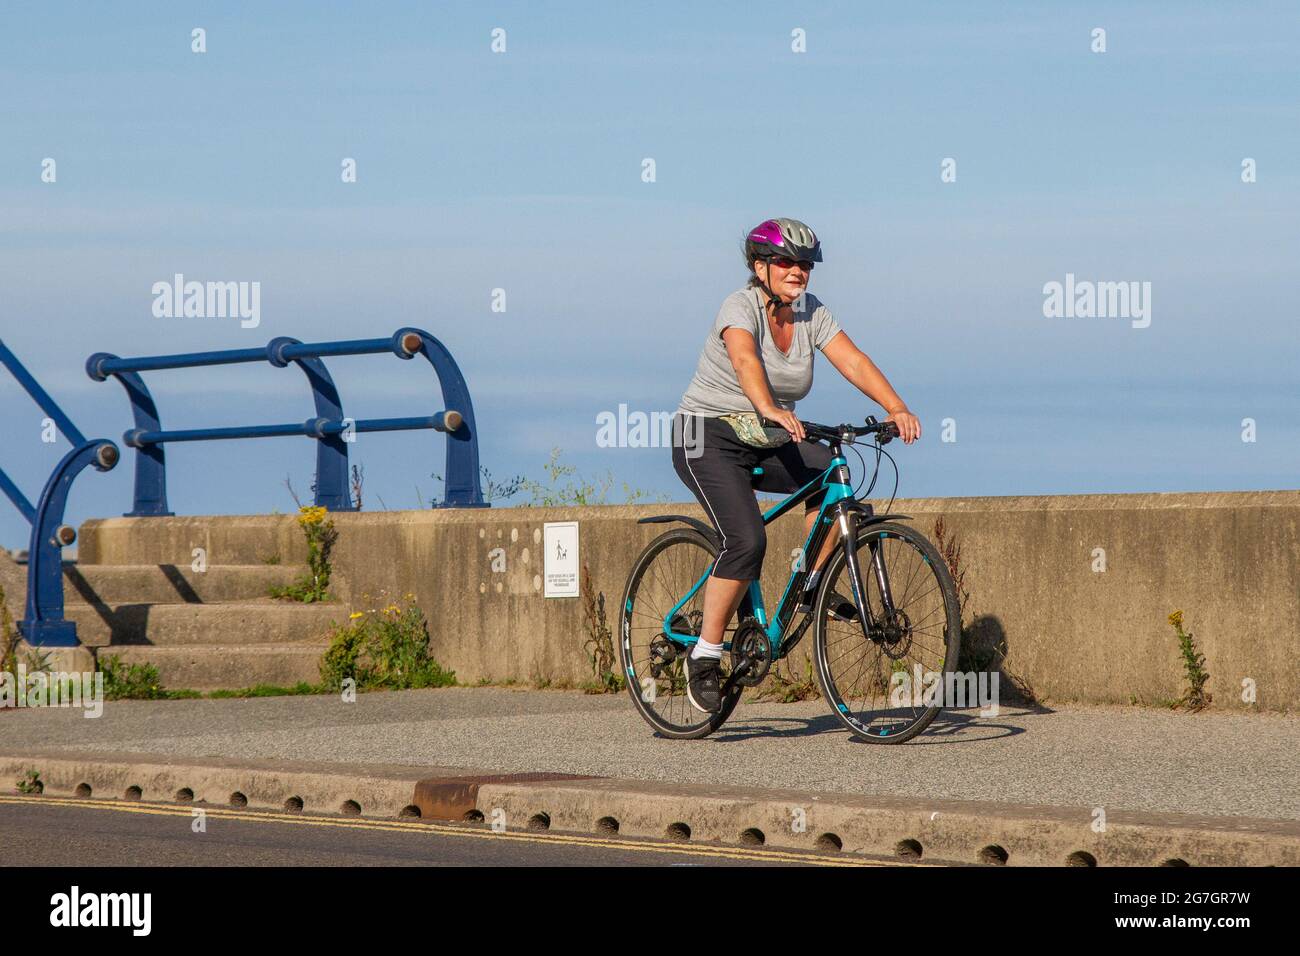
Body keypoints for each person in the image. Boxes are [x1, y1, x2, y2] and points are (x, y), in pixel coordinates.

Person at [671, 217, 921, 713]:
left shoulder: (811, 313)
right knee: (745, 540)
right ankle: (704, 653)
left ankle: (813, 579)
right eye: (786, 262)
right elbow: (745, 361)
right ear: (760, 266)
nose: (798, 271)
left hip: (768, 436)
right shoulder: (738, 306)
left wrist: (896, 407)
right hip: (707, 437)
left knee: (834, 479)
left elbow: (853, 360)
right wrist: (768, 407)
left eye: (805, 264)